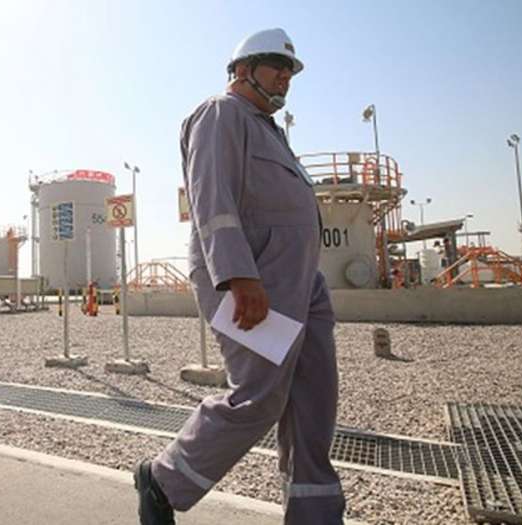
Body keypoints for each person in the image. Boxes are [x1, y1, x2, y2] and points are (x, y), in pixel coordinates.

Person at [134, 28, 346, 524]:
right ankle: (162, 480)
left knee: (313, 399)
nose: (286, 78)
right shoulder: (220, 113)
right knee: (259, 396)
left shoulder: (270, 130)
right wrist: (237, 276)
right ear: (243, 69)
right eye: (277, 67)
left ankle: (316, 516)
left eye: (290, 71)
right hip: (254, 279)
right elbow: (212, 197)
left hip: (301, 282)